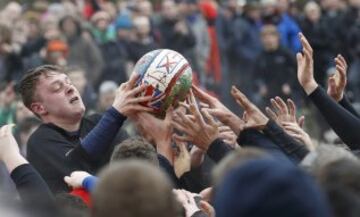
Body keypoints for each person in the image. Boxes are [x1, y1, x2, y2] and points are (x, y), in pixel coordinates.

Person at [19, 64, 153, 193]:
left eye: (69, 82)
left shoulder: (98, 121)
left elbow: (139, 163)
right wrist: (115, 114)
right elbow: (76, 168)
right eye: (57, 87)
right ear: (39, 108)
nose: (71, 88)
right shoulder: (40, 142)